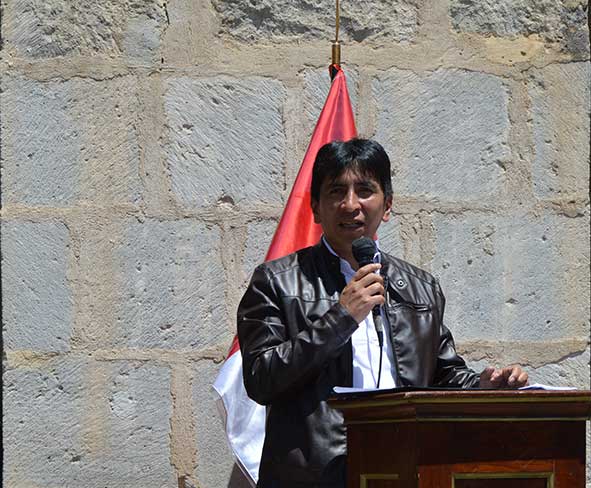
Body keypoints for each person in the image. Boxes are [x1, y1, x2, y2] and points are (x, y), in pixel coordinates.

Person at [237, 139, 528, 488]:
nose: (350, 205)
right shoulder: (276, 281)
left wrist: (483, 386)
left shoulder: (421, 287)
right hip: (316, 477)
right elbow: (261, 379)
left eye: (364, 191)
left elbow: (442, 376)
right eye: (336, 191)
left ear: (387, 206)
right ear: (315, 208)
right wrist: (341, 317)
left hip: (404, 470)